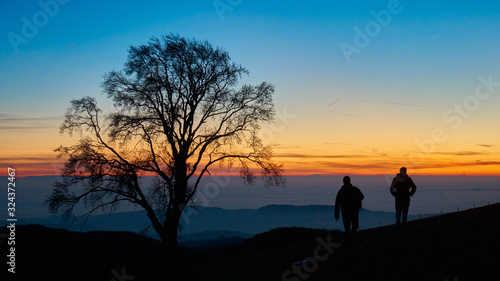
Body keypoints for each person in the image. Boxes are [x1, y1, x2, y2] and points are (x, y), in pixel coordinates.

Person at [335, 176, 364, 245]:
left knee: (347, 227)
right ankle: (352, 239)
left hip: (345, 212)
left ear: (343, 181)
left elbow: (337, 204)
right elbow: (362, 196)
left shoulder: (341, 191)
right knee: (355, 225)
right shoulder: (355, 189)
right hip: (354, 211)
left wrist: (336, 214)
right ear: (350, 181)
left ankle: (348, 241)